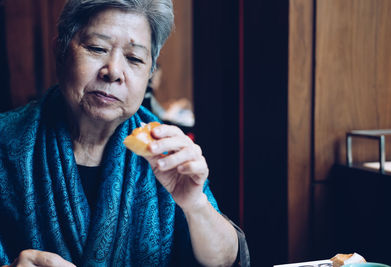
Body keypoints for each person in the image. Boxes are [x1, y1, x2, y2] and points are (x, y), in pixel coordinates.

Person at [0, 0, 249, 266]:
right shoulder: (7, 142)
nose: (114, 72)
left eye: (134, 59)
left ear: (150, 73)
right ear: (60, 51)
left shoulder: (163, 147)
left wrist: (196, 204)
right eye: (97, 48)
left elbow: (227, 260)